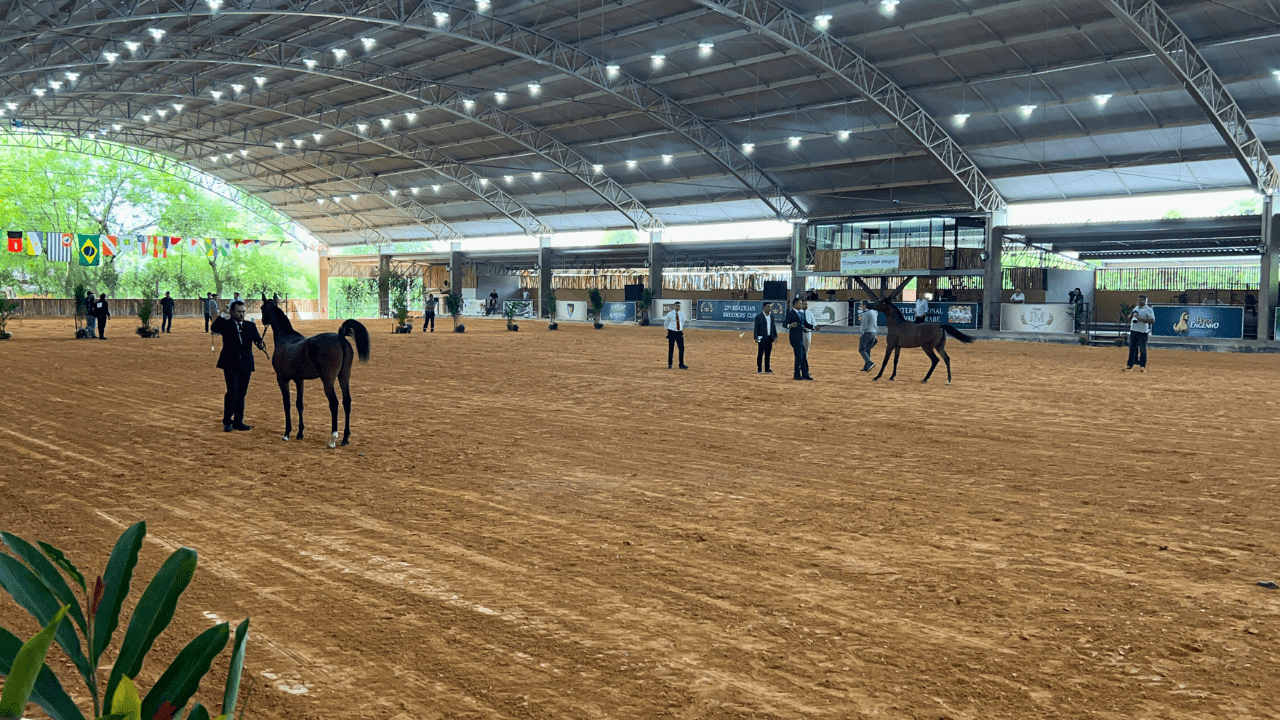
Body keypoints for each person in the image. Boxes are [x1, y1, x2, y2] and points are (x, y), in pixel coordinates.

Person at [211, 300, 265, 431]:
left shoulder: (250, 326)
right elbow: (214, 328)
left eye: (243, 312)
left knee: (241, 393)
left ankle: (238, 421)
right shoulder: (225, 324)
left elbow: (258, 340)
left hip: (246, 363)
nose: (242, 314)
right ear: (232, 312)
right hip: (229, 363)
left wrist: (261, 344)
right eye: (239, 312)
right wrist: (222, 314)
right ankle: (227, 421)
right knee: (233, 391)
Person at [784, 297, 813, 380]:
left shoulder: (801, 314)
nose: (801, 305)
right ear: (795, 304)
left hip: (800, 338)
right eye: (800, 303)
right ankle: (797, 374)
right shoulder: (790, 313)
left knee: (803, 355)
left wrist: (814, 326)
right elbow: (784, 324)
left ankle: (805, 374)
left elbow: (806, 324)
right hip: (794, 338)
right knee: (799, 356)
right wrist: (790, 325)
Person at [1124, 294, 1155, 373]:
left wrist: (1140, 319)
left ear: (1145, 301)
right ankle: (1130, 365)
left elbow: (1152, 320)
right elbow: (1129, 318)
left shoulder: (1148, 310)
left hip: (1143, 332)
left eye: (1141, 300)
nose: (1139, 302)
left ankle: (1142, 366)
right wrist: (1131, 315)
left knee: (1142, 349)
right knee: (1132, 349)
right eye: (1138, 300)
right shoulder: (1136, 308)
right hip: (1134, 330)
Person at [753, 302, 777, 374]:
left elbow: (773, 327)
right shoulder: (759, 317)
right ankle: (759, 368)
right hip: (762, 338)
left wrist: (775, 336)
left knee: (768, 354)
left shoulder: (771, 317)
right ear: (764, 307)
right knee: (760, 353)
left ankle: (767, 368)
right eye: (768, 306)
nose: (770, 308)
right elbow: (756, 328)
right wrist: (756, 337)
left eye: (770, 307)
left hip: (769, 338)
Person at [664, 301, 688, 369]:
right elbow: (666, 323)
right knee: (671, 348)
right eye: (677, 306)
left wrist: (679, 328)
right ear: (674, 306)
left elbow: (682, 322)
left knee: (681, 348)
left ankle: (681, 364)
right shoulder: (670, 314)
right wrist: (669, 329)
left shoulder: (682, 314)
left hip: (679, 332)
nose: (678, 307)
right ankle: (670, 364)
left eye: (679, 306)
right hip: (672, 332)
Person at [858, 299, 878, 372]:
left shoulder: (866, 313)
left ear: (865, 305)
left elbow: (864, 325)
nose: (860, 306)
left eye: (861, 305)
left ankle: (869, 362)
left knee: (861, 349)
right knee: (867, 350)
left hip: (867, 332)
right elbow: (875, 324)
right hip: (873, 332)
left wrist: (861, 333)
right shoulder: (874, 312)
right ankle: (867, 366)